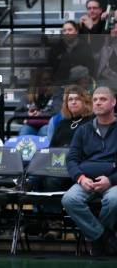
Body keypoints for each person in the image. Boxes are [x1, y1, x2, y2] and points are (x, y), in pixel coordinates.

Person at [62, 87, 117, 257]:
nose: (98, 102)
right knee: (69, 199)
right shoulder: (84, 129)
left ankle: (98, 240)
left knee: (114, 200)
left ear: (113, 102)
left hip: (112, 181)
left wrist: (111, 180)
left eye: (103, 99)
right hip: (86, 180)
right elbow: (71, 159)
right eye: (95, 100)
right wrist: (80, 178)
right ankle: (104, 237)